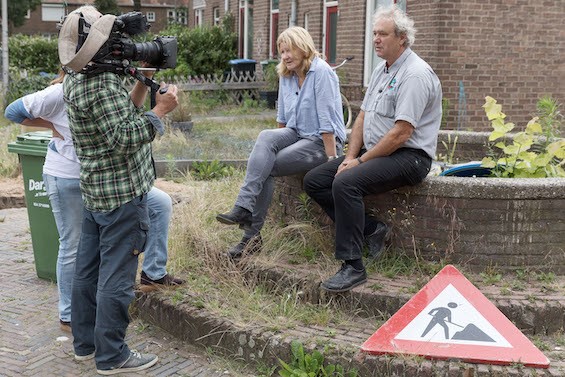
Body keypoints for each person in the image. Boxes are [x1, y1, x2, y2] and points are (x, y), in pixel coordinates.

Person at [4, 72, 184, 333]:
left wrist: (143, 79)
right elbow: (13, 111)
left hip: (102, 177)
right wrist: (50, 125)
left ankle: (152, 274)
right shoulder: (60, 92)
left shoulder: (103, 84)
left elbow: (125, 113)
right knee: (73, 245)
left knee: (160, 204)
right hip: (67, 176)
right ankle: (69, 315)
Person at [57, 6, 178, 374]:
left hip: (96, 190)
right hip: (123, 194)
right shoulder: (103, 83)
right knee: (117, 278)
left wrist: (142, 82)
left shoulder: (76, 78)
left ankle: (85, 346)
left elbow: (117, 117)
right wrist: (161, 110)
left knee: (87, 271)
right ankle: (112, 356)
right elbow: (125, 137)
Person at [303, 5, 442, 293]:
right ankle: (370, 229)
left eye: (383, 34)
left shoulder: (415, 74)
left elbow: (402, 133)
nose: (376, 39)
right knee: (315, 180)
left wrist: (360, 161)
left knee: (345, 182)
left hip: (410, 157)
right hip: (376, 151)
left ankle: (352, 266)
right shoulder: (382, 68)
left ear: (402, 38)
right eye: (374, 33)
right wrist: (351, 156)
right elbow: (363, 117)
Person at [216, 26, 346, 259]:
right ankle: (243, 207)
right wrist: (278, 147)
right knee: (265, 137)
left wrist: (332, 163)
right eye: (282, 51)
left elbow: (327, 124)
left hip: (322, 142)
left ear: (303, 47)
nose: (285, 56)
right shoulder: (286, 74)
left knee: (267, 167)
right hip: (297, 133)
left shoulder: (322, 72)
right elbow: (282, 120)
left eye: (290, 50)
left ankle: (250, 236)